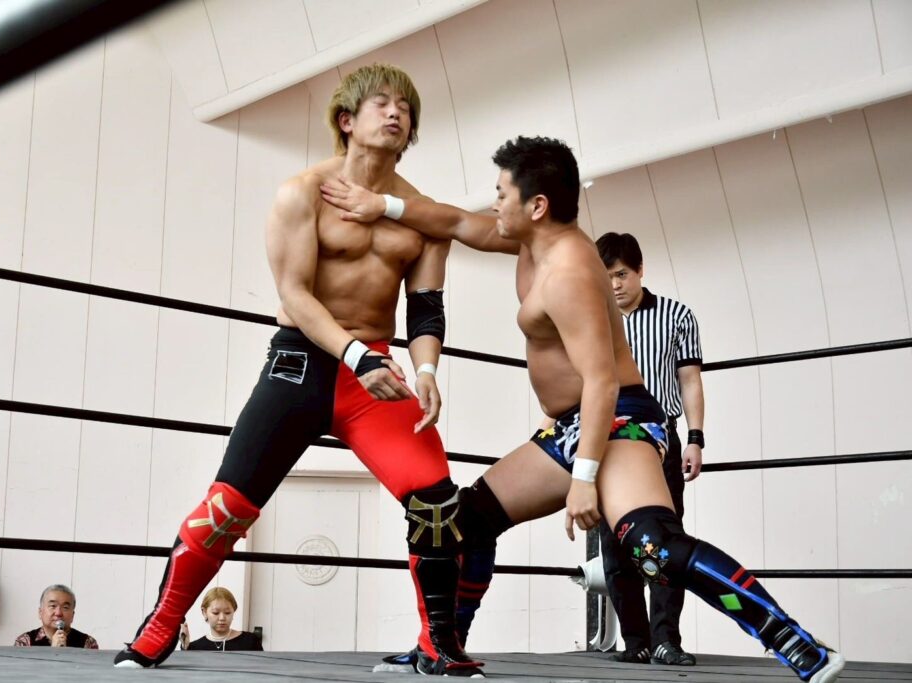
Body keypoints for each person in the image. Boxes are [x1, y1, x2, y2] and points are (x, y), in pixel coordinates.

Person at [318, 136, 845, 682]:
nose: (494, 203)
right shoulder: (530, 243)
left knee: (651, 547)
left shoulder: (569, 269)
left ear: (537, 205)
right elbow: (452, 221)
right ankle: (442, 649)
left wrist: (584, 478)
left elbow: (601, 381)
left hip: (620, 420)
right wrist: (382, 205)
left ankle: (793, 640)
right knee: (465, 523)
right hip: (572, 424)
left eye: (501, 193)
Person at [114, 63, 483, 677]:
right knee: (227, 507)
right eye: (382, 103)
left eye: (405, 106)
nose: (396, 112)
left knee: (438, 506)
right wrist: (358, 356)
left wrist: (425, 371)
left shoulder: (419, 214)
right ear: (347, 119)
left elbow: (425, 307)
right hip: (303, 362)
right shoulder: (302, 193)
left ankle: (436, 644)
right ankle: (158, 628)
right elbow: (296, 295)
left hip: (375, 375)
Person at [593, 231, 704, 666]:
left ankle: (665, 639)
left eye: (622, 274)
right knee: (614, 542)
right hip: (609, 439)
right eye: (607, 277)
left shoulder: (677, 315)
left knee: (666, 538)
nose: (615, 284)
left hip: (662, 439)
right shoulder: (592, 319)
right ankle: (634, 640)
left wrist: (695, 438)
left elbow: (690, 380)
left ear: (640, 270)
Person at [14, 584, 98, 648]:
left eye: (65, 607)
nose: (58, 613)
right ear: (40, 612)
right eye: (53, 606)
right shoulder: (24, 641)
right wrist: (53, 652)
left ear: (72, 615)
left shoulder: (88, 642)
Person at [178, 587, 261, 651]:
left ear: (234, 611)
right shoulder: (194, 648)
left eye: (227, 612)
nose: (222, 618)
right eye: (215, 613)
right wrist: (185, 648)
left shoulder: (250, 641)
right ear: (204, 612)